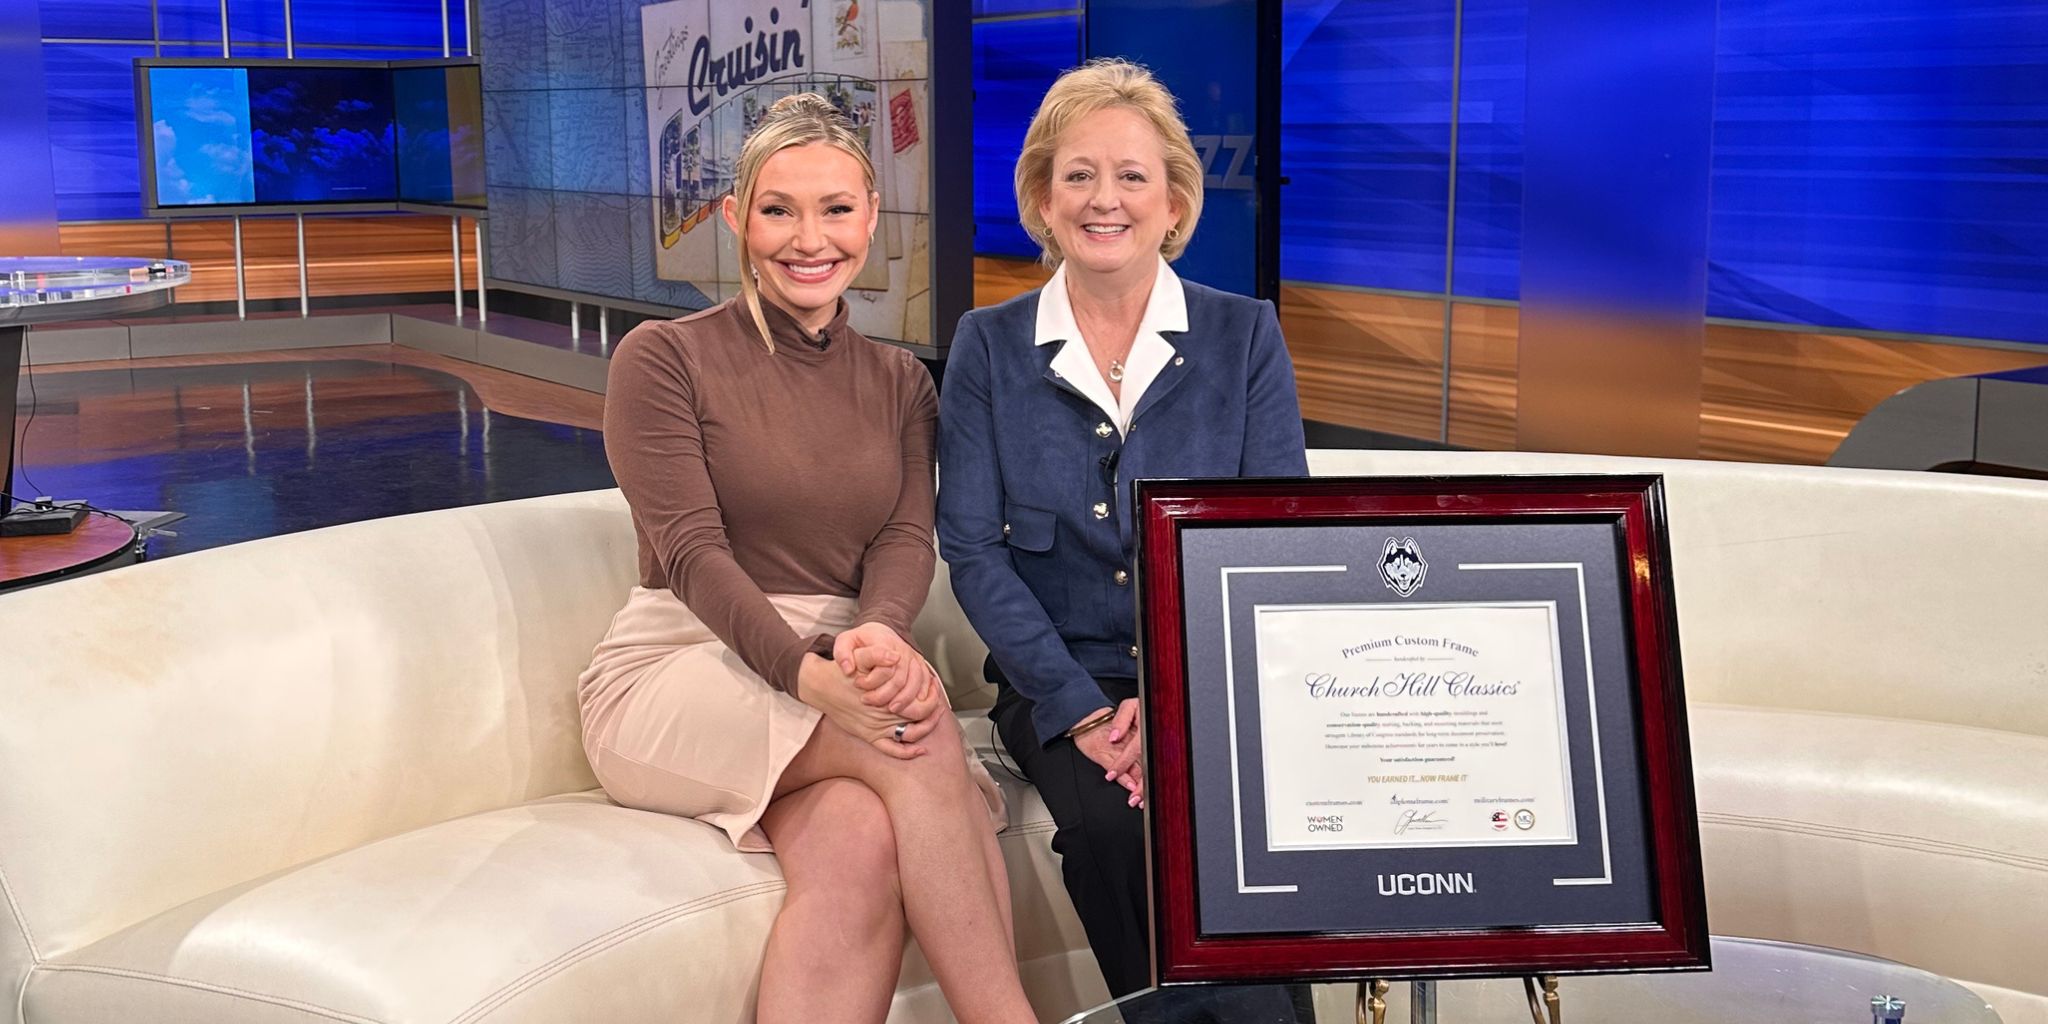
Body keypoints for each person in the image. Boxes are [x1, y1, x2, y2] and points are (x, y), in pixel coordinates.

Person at [581, 93, 1036, 1024]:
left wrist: (876, 636)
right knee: (915, 743)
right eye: (780, 209)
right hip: (682, 663)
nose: (808, 238)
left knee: (860, 846)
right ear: (739, 217)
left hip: (837, 659)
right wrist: (802, 672)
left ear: (872, 216)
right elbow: (692, 552)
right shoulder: (663, 358)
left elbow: (908, 537)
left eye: (835, 209)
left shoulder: (902, 381)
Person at [936, 60, 1309, 997]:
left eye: (1133, 176)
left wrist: (1183, 701)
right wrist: (1088, 713)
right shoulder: (986, 345)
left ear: (1174, 200)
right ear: (1043, 197)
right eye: (1079, 175)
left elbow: (1278, 534)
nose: (1106, 200)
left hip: (1213, 671)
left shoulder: (1245, 334)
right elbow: (974, 552)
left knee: (1238, 817)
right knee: (1110, 828)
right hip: (1059, 684)